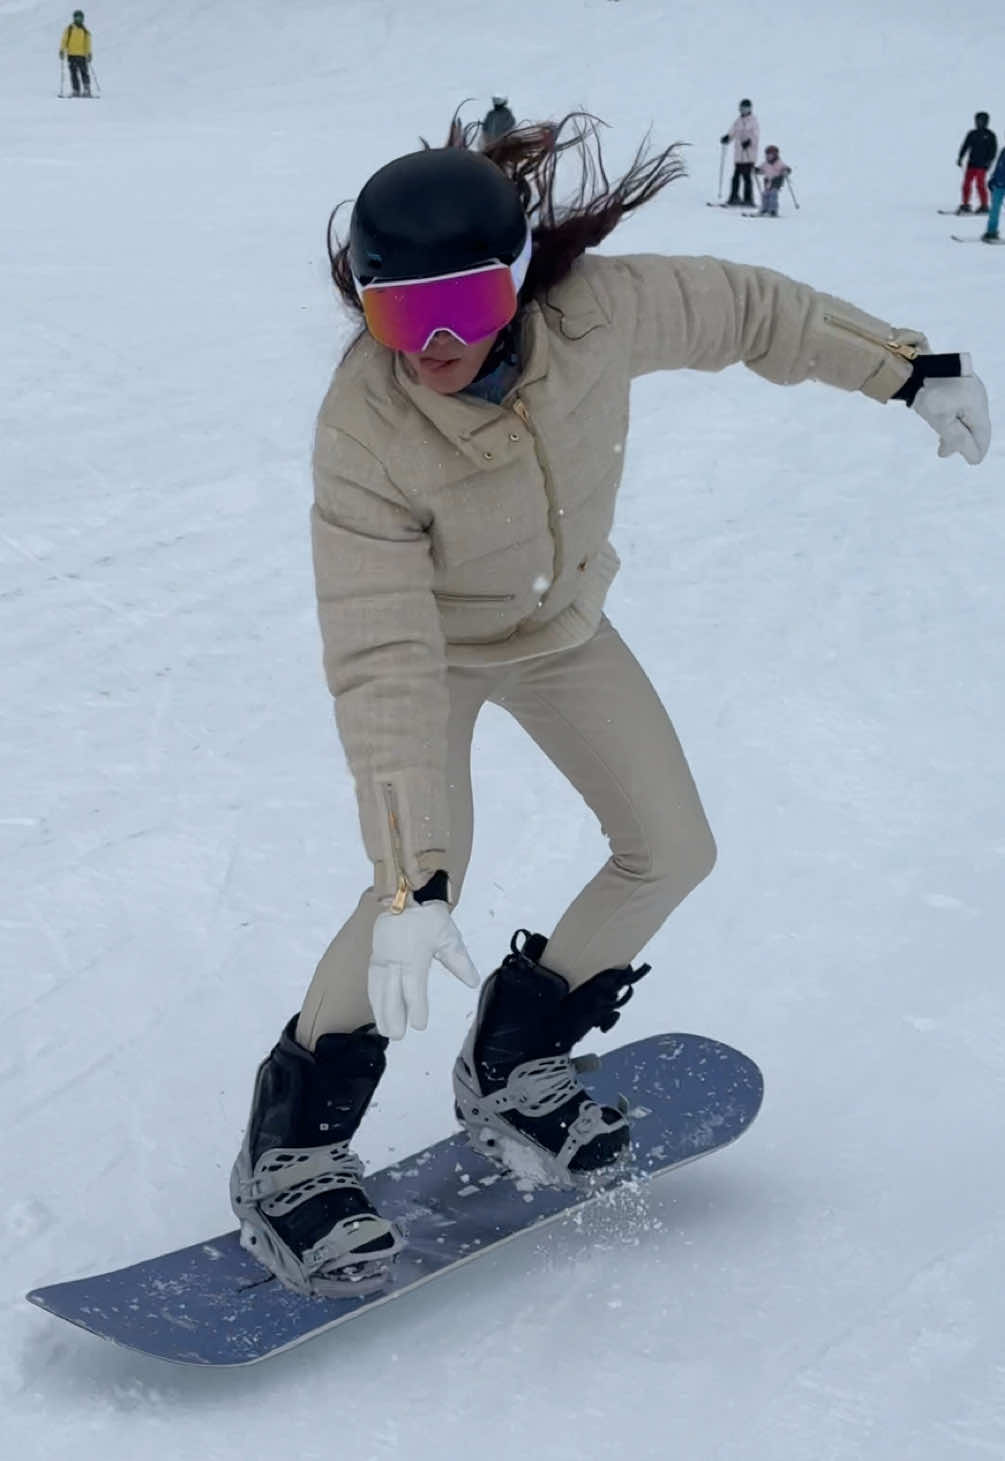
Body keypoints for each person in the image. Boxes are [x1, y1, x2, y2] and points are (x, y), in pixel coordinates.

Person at [229, 113, 990, 1299]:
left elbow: (756, 312)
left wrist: (905, 369)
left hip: (560, 628)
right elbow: (381, 658)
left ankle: (513, 1063)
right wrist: (414, 878)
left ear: (519, 281)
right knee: (413, 894)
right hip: (436, 652)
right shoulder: (364, 431)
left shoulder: (601, 314)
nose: (435, 344)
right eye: (399, 316)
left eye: (465, 304)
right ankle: (291, 1155)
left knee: (672, 847)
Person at [956, 111, 997, 214]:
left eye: (982, 121)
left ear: (986, 122)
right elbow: (965, 146)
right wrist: (960, 157)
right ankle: (965, 204)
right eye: (978, 120)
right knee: (966, 184)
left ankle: (984, 205)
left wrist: (989, 161)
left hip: (982, 165)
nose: (979, 123)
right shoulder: (972, 134)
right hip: (971, 164)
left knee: (980, 185)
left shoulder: (990, 135)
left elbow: (993, 150)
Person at [720, 98, 759, 206]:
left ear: (750, 109)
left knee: (746, 177)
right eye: (741, 108)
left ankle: (748, 199)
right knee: (735, 177)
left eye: (745, 108)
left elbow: (756, 135)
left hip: (748, 154)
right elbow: (733, 131)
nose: (743, 110)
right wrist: (727, 138)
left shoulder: (753, 121)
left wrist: (749, 142)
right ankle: (734, 197)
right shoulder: (738, 121)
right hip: (739, 155)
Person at [59, 9, 92, 97]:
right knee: (73, 73)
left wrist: (89, 53)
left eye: (80, 18)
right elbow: (64, 40)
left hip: (82, 55)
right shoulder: (69, 29)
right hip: (71, 55)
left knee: (84, 72)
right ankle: (76, 90)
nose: (78, 20)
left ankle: (87, 89)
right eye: (77, 18)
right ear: (74, 18)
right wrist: (62, 50)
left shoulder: (85, 31)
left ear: (83, 19)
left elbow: (87, 43)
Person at [755, 144, 791, 216]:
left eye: (770, 155)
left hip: (776, 181)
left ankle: (773, 210)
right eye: (767, 155)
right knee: (765, 195)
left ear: (775, 155)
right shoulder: (765, 164)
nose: (768, 156)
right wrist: (756, 170)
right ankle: (764, 209)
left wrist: (786, 171)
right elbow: (762, 170)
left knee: (773, 194)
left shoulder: (779, 163)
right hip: (767, 181)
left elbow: (786, 168)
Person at [983, 147, 1005, 241]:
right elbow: (998, 166)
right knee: (994, 209)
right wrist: (993, 179)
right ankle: (991, 231)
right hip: (999, 184)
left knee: (995, 208)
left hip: (1000, 183)